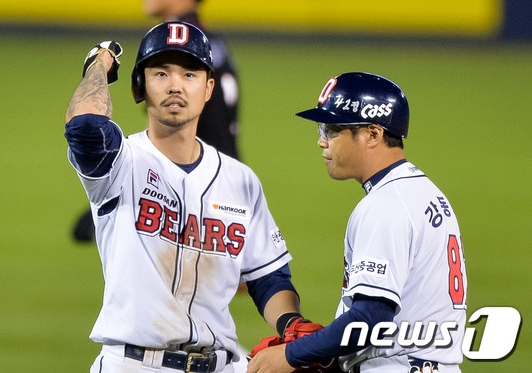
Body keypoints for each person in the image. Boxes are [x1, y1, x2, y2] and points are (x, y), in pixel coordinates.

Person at [64, 22, 304, 372]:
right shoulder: (119, 162)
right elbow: (84, 124)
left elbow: (269, 278)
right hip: (134, 364)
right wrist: (100, 64)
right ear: (140, 87)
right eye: (160, 73)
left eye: (190, 74)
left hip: (222, 364)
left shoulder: (241, 181)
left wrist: (291, 326)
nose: (176, 85)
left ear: (208, 89)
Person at [246, 72, 468, 373]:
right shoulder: (423, 192)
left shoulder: (386, 205)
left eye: (332, 129)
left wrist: (291, 354)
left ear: (373, 134)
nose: (321, 141)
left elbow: (370, 316)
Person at [72, 0, 240, 242]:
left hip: (201, 199)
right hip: (215, 184)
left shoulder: (181, 47)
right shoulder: (205, 40)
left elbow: (198, 136)